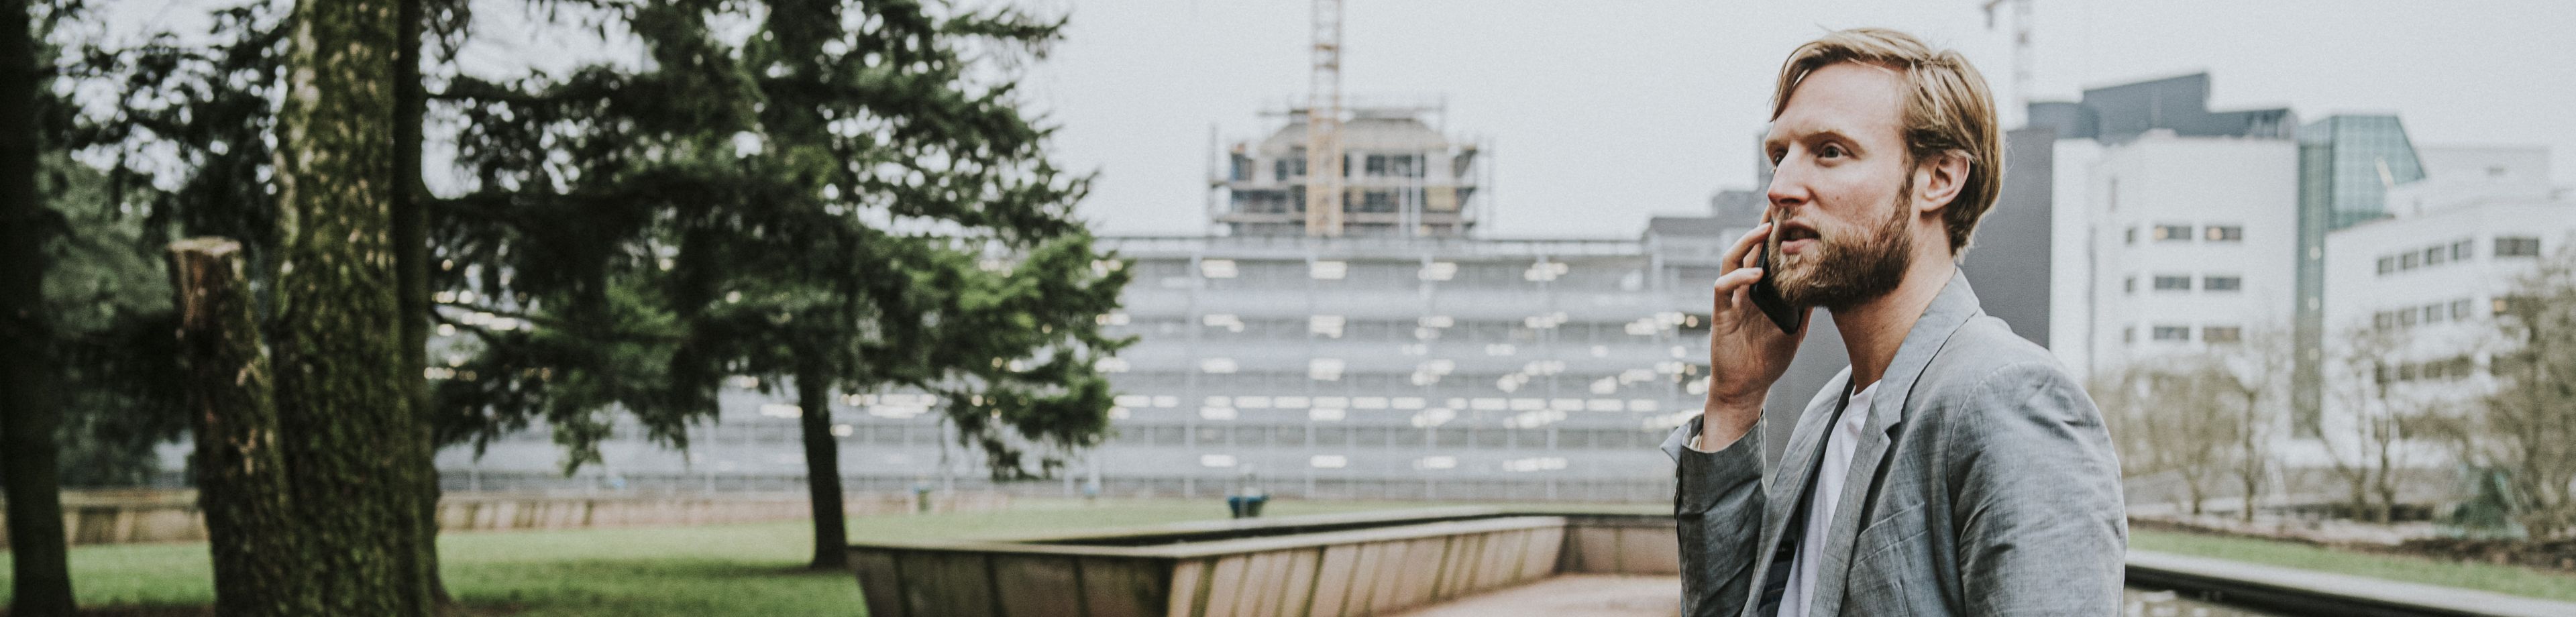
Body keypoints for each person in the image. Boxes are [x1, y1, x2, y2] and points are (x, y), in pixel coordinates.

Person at [1663, 27, 2126, 616]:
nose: (1780, 189)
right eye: (1780, 156)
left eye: (1830, 151)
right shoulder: (1823, 419)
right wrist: (1733, 402)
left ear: (1939, 179)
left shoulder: (2009, 398)